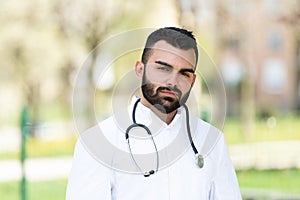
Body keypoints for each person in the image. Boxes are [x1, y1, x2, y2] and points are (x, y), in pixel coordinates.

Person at [66, 27, 242, 200]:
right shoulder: (98, 142)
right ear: (140, 69)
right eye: (163, 68)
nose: (173, 81)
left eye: (184, 73)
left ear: (193, 81)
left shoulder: (212, 140)